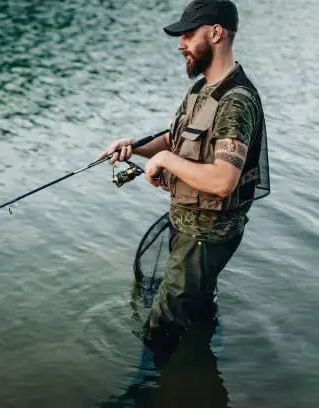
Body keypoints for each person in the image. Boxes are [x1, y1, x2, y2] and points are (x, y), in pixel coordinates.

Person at [96, 0, 270, 363]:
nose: (180, 44)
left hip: (206, 236)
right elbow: (176, 143)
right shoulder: (201, 90)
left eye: (188, 34)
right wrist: (136, 147)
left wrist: (164, 160)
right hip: (186, 225)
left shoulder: (235, 101)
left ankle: (140, 392)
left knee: (160, 327)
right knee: (200, 307)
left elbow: (224, 180)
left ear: (216, 33)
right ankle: (204, 362)